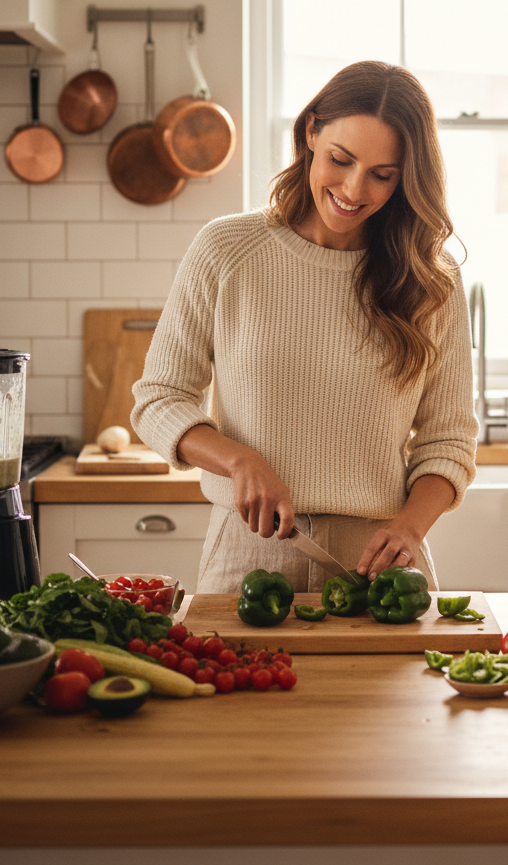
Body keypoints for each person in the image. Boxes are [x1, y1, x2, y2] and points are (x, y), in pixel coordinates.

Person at [131, 60, 477, 595]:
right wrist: (237, 459)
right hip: (247, 556)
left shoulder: (433, 280)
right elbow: (159, 399)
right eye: (341, 159)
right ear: (311, 131)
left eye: (383, 175)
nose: (354, 189)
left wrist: (410, 526)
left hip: (381, 567)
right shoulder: (227, 251)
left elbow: (448, 440)